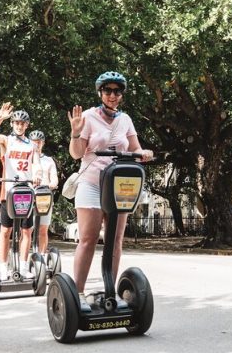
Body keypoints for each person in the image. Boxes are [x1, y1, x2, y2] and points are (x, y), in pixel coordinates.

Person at [67, 71, 153, 311]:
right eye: (108, 91)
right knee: (88, 239)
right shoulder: (87, 117)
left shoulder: (125, 120)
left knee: (115, 241)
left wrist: (145, 153)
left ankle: (110, 292)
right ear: (100, 93)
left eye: (117, 91)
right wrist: (75, 132)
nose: (113, 95)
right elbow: (76, 153)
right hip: (92, 184)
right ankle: (78, 294)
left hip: (118, 185)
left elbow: (136, 149)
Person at [0, 102, 42, 280]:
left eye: (22, 123)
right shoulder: (6, 140)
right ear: (12, 124)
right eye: (16, 123)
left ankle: (24, 266)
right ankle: (3, 267)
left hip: (27, 191)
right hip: (9, 190)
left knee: (27, 231)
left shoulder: (31, 146)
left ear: (27, 125)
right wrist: (0, 118)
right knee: (5, 230)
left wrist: (38, 175)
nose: (19, 126)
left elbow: (36, 165)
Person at [29, 130, 59, 255]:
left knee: (43, 229)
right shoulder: (25, 158)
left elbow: (54, 180)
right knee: (27, 230)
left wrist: (50, 185)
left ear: (43, 143)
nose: (36, 144)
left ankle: (41, 256)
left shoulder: (49, 160)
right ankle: (23, 257)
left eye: (39, 142)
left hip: (44, 197)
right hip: (29, 196)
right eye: (34, 142)